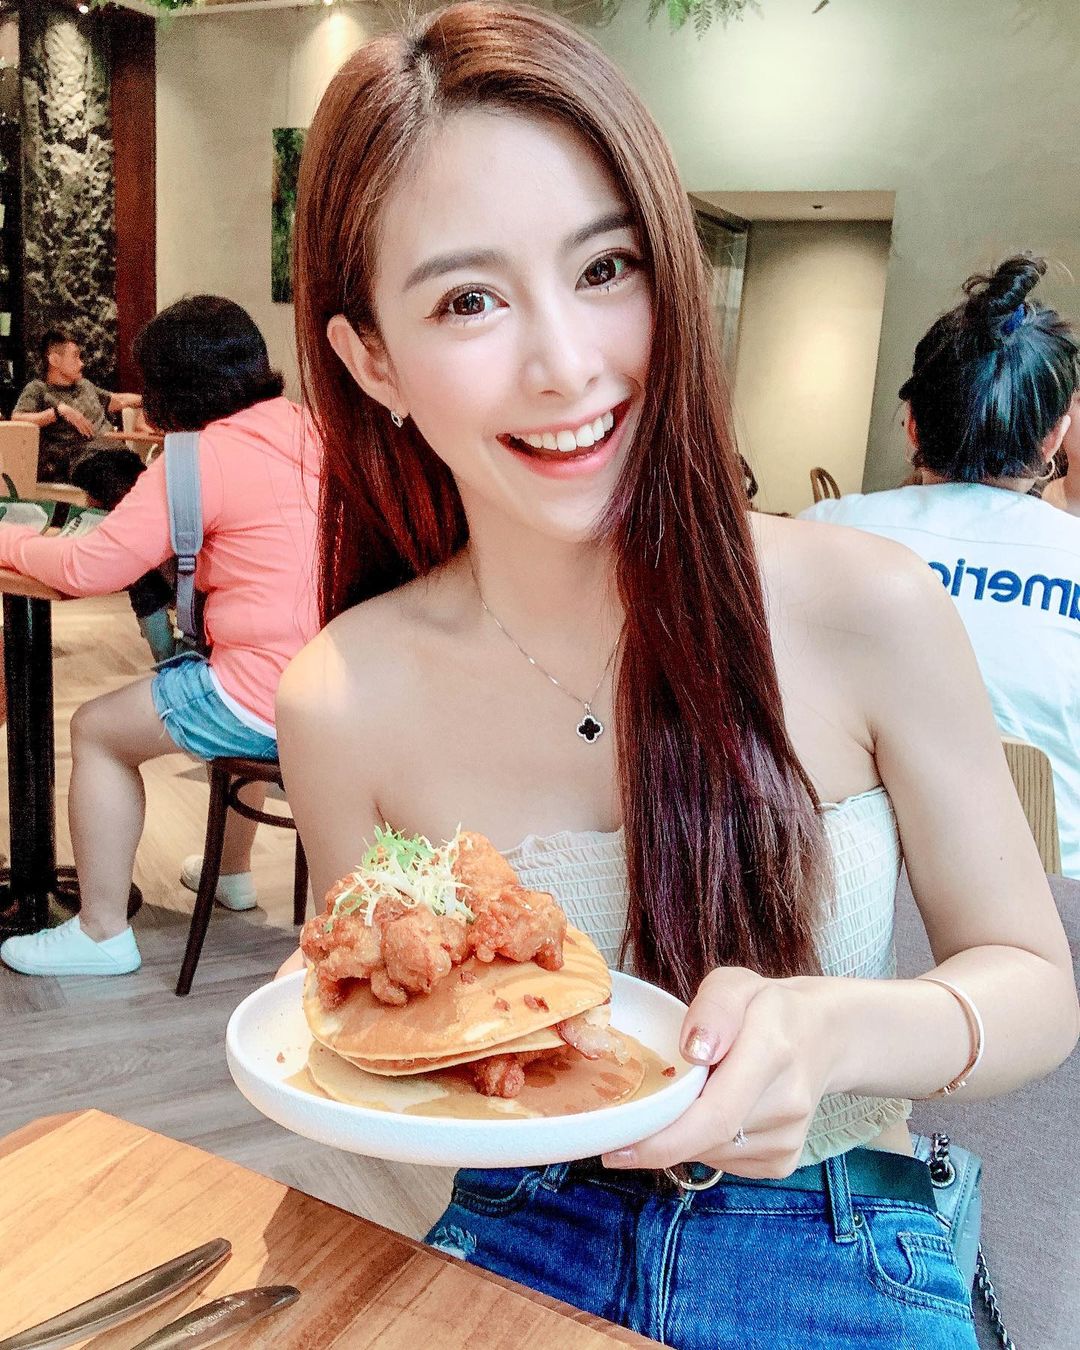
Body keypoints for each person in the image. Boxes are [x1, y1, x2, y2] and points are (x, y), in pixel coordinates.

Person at [275, 8, 1078, 1348]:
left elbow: (1036, 988)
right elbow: (372, 1034)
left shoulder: (865, 604)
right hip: (515, 1225)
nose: (567, 365)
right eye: (469, 300)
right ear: (372, 360)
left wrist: (835, 1033)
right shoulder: (343, 697)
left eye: (606, 268)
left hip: (839, 1233)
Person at [0, 296, 322, 977]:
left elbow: (91, 567)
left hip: (259, 698)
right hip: (330, 692)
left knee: (97, 729)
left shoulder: (194, 459)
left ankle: (100, 933)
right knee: (228, 677)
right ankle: (232, 874)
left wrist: (9, 539)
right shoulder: (313, 429)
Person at [801, 256, 1080, 879]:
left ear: (913, 425)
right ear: (1053, 438)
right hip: (1049, 902)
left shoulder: (819, 532)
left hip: (837, 886)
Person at [10, 327, 144, 485]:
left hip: (112, 453)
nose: (82, 363)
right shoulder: (38, 389)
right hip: (75, 461)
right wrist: (58, 411)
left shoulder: (85, 385)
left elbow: (119, 400)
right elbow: (17, 419)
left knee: (143, 474)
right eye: (75, 356)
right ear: (54, 360)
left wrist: (151, 400)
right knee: (115, 474)